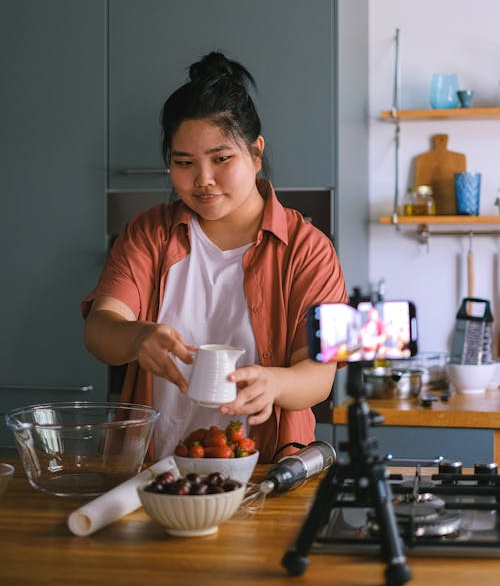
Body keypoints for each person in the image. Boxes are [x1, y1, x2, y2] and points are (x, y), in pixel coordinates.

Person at [81, 52, 347, 463]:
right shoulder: (148, 234)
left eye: (222, 159)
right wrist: (136, 338)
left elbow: (320, 375)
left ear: (256, 154)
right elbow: (100, 329)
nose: (202, 180)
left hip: (264, 470)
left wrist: (275, 385)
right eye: (183, 163)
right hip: (152, 470)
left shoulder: (308, 249)